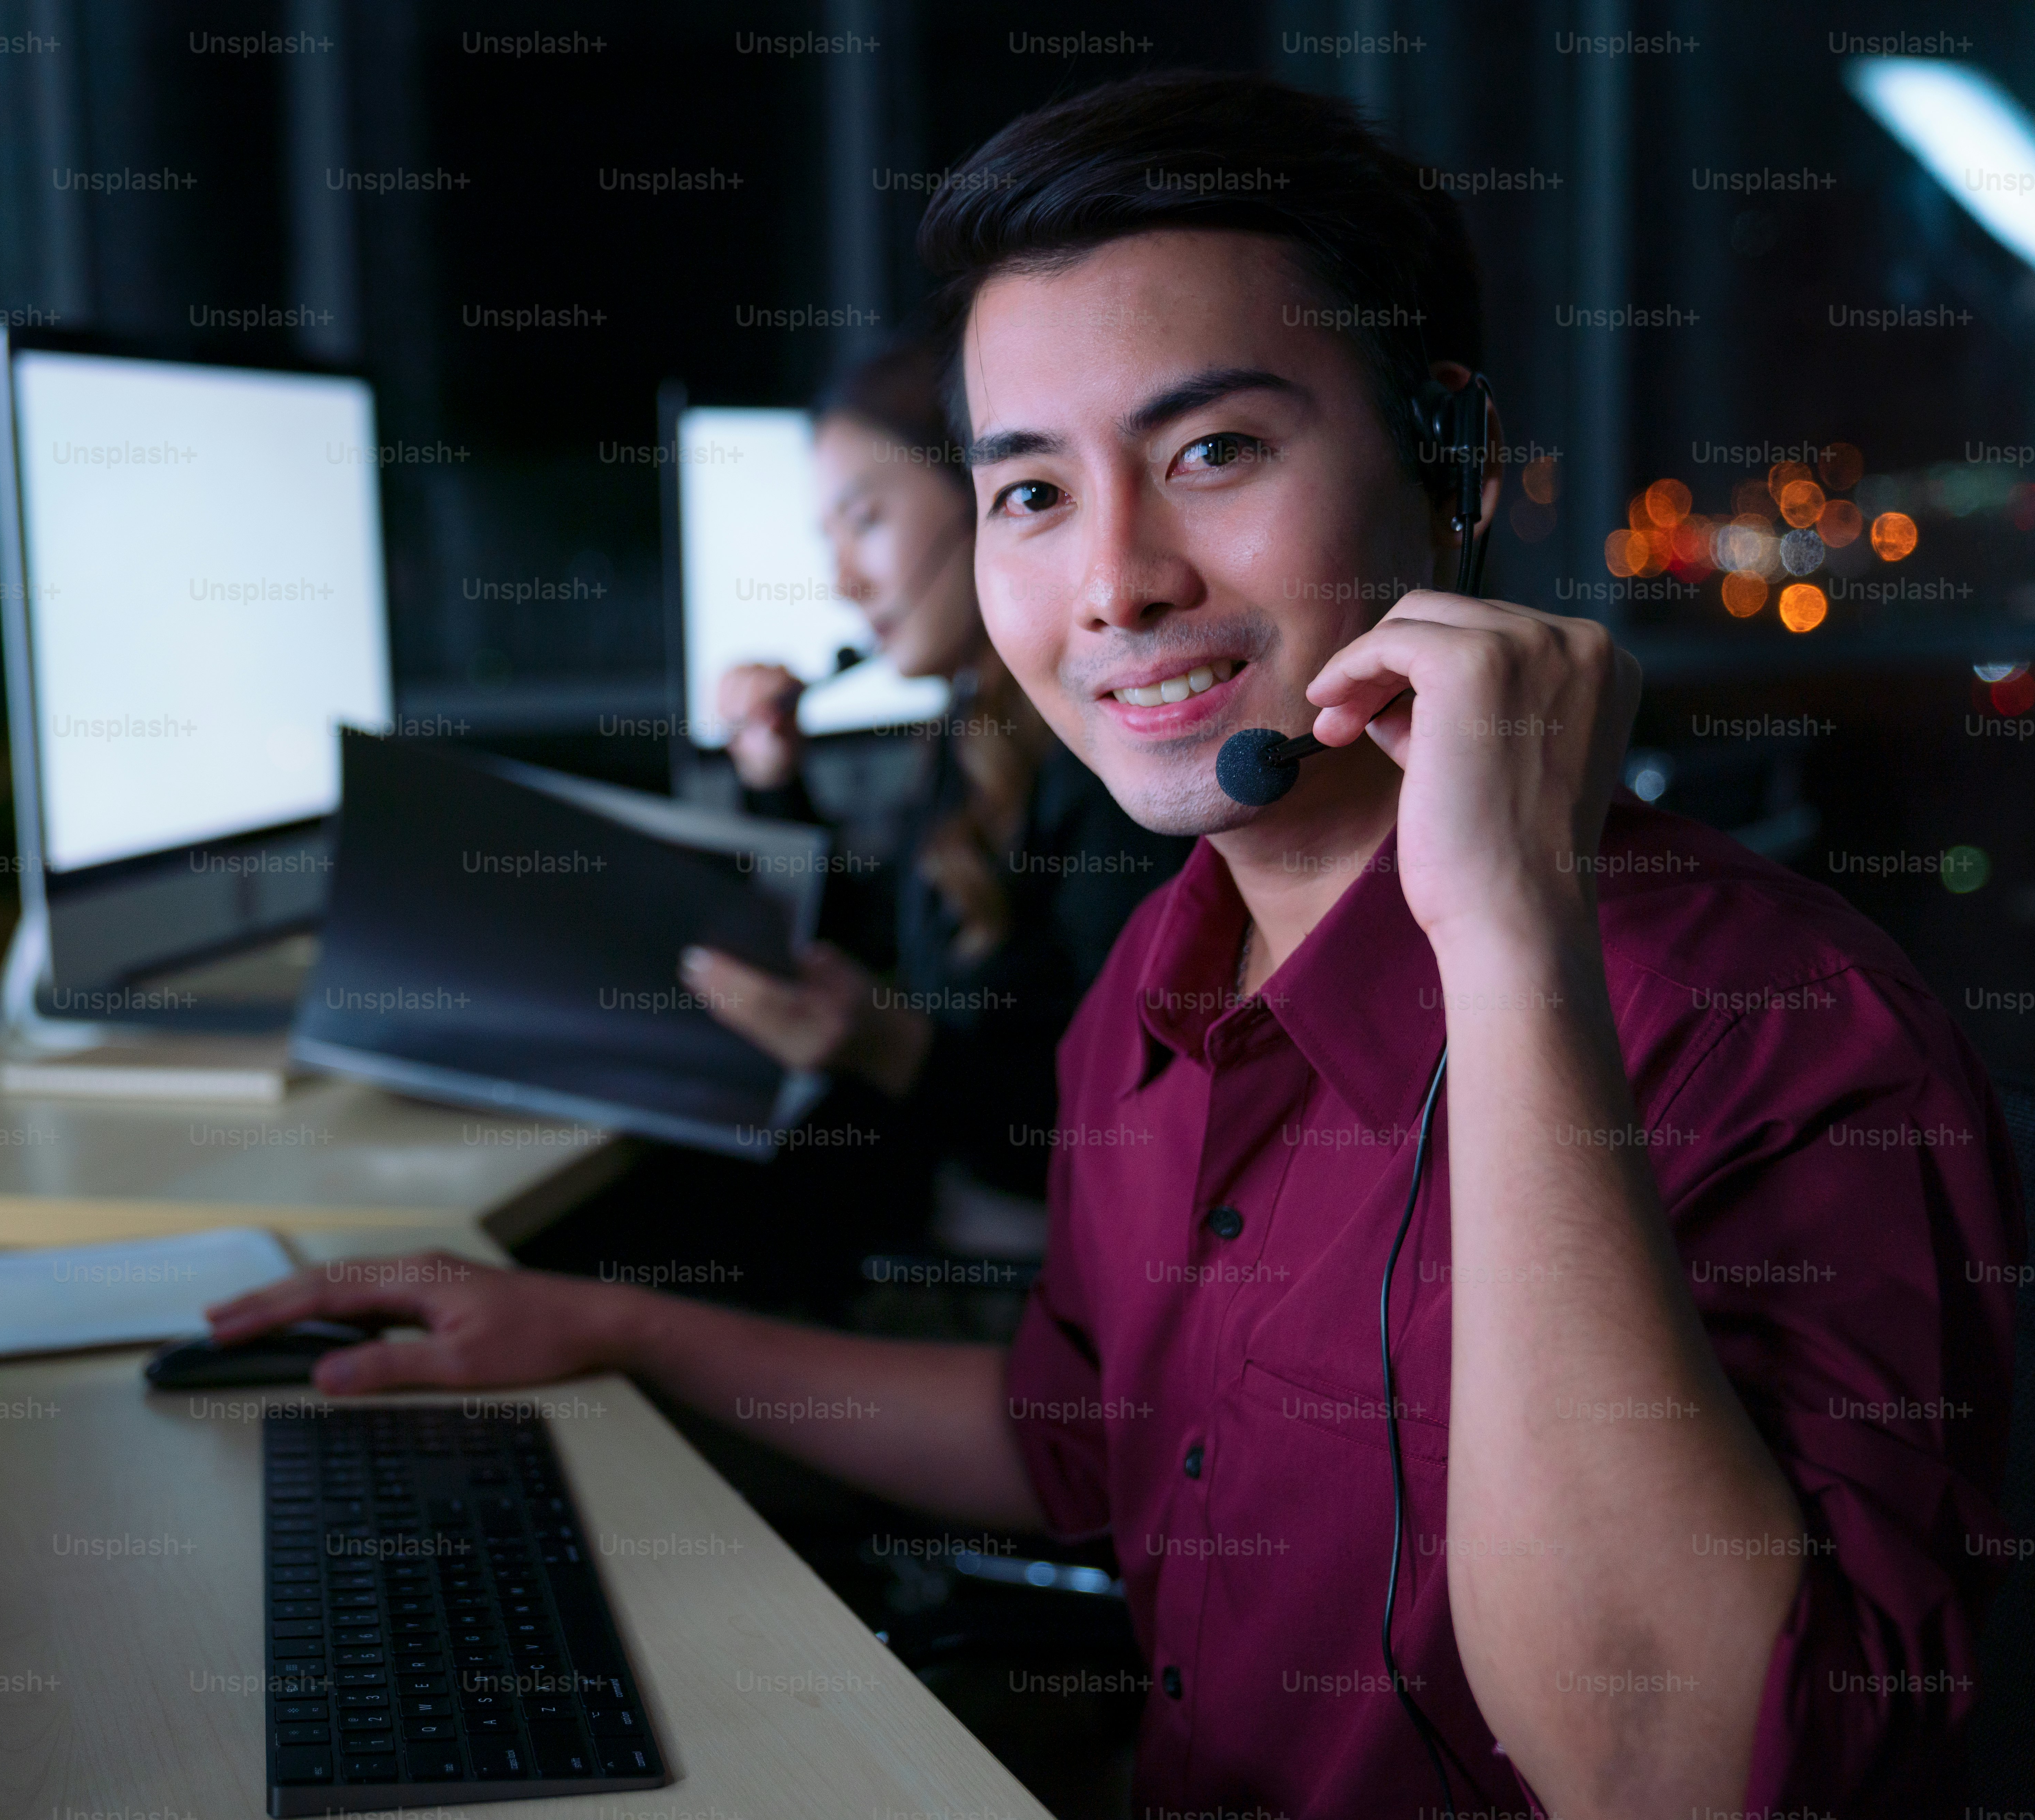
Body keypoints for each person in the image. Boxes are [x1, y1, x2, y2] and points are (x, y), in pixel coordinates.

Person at [210, 72, 2018, 1817]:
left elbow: (1677, 1779)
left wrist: (1506, 939)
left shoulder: (1780, 1029)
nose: (1115, 584)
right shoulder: (1162, 978)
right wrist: (600, 1323)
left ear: (1451, 458)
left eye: (1214, 448)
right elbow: (1084, 1436)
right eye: (1031, 493)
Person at [521, 338, 1186, 1310]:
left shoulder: (1108, 763)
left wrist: (892, 1050)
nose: (842, 581)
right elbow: (898, 937)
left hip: (1038, 1283)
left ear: (992, 500)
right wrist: (777, 783)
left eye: (864, 520)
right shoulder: (981, 724)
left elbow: (1122, 1130)